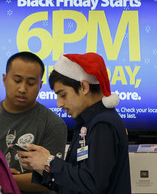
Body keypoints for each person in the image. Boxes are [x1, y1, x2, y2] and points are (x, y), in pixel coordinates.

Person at [18, 53, 131, 194]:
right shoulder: (87, 123)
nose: (59, 104)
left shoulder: (103, 124)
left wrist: (49, 162)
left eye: (63, 94)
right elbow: (74, 183)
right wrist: (42, 169)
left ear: (83, 87)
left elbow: (92, 183)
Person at [0, 52, 66, 193]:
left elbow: (51, 179)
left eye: (31, 83)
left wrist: (0, 177)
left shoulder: (53, 125)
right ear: (4, 79)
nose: (22, 89)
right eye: (17, 80)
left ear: (40, 85)